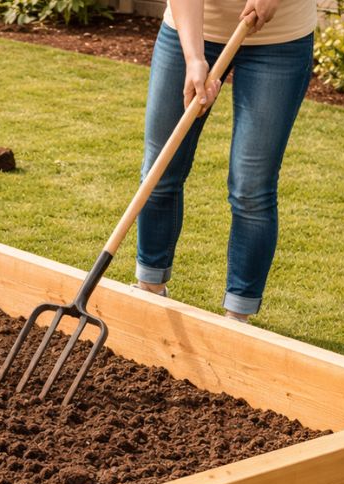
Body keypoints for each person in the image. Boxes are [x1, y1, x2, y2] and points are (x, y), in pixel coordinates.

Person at [133, 0, 316, 323]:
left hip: (280, 41)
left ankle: (237, 319)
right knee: (160, 169)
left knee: (251, 188)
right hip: (191, 30)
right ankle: (149, 290)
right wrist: (193, 58)